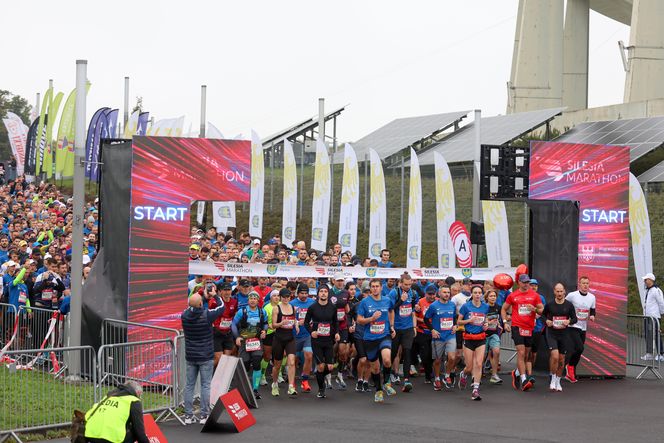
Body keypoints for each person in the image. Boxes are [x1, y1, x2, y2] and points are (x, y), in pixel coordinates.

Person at [181, 292, 225, 424]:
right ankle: (204, 415)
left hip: (191, 355)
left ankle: (188, 416)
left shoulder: (184, 315)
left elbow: (192, 305)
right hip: (205, 355)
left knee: (189, 386)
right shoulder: (207, 315)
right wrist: (214, 295)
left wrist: (202, 296)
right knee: (205, 386)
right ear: (201, 303)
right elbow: (221, 307)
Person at [356, 278, 397, 403]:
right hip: (370, 338)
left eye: (377, 286)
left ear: (381, 288)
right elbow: (359, 320)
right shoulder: (365, 302)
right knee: (375, 368)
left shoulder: (387, 300)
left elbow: (391, 311)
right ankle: (378, 390)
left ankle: (386, 383)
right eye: (372, 286)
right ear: (370, 288)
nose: (374, 288)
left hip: (384, 335)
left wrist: (391, 326)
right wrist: (371, 319)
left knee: (386, 359)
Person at [501, 274, 544, 392]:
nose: (526, 284)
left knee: (526, 355)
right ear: (518, 283)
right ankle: (524, 379)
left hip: (529, 328)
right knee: (521, 352)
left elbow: (542, 309)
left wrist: (534, 309)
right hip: (517, 327)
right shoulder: (513, 295)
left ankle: (515, 373)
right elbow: (504, 309)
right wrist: (505, 322)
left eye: (527, 282)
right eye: (524, 282)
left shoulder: (534, 296)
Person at [83, 380, 149, 443]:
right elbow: (140, 433)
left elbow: (87, 416)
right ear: (137, 392)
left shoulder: (107, 397)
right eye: (140, 395)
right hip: (112, 439)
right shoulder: (133, 400)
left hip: (90, 435)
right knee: (135, 430)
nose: (140, 398)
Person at [304, 286, 340, 398]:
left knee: (330, 367)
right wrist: (311, 332)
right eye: (321, 292)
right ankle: (321, 389)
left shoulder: (333, 307)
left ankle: (319, 375)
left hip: (328, 340)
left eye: (325, 292)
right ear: (318, 294)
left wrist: (337, 333)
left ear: (328, 294)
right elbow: (306, 323)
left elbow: (335, 322)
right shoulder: (312, 307)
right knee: (320, 366)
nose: (323, 294)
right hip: (317, 341)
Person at [232, 291, 268, 399]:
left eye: (255, 298)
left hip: (256, 341)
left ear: (258, 300)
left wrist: (264, 331)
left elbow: (265, 324)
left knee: (257, 362)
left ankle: (255, 389)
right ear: (248, 300)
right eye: (251, 298)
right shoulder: (241, 311)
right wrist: (237, 336)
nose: (252, 300)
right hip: (244, 342)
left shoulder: (262, 312)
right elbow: (233, 324)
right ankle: (243, 388)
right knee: (245, 365)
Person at [543, 283, 577, 392]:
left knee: (562, 360)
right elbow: (542, 316)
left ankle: (558, 380)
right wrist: (547, 321)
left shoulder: (569, 305)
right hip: (552, 333)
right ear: (554, 292)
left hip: (564, 334)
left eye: (561, 291)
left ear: (564, 292)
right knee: (555, 356)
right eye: (557, 291)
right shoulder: (549, 305)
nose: (559, 293)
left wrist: (569, 321)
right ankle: (552, 378)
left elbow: (575, 319)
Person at [458, 285, 490, 401]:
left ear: (482, 294)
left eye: (479, 293)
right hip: (469, 338)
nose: (477, 295)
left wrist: (486, 324)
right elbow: (459, 321)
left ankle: (475, 390)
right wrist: (469, 321)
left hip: (481, 338)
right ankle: (464, 374)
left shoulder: (485, 307)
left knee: (479, 364)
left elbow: (485, 319)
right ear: (472, 294)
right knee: (469, 366)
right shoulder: (466, 306)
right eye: (475, 292)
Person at [388, 273, 418, 392]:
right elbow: (390, 309)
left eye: (410, 284)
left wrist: (414, 326)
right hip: (396, 327)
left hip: (408, 327)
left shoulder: (413, 293)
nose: (408, 287)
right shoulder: (394, 293)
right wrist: (401, 300)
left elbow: (413, 310)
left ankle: (406, 380)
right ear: (400, 283)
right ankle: (389, 374)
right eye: (405, 285)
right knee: (394, 352)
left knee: (407, 351)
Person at [424, 285, 457, 390]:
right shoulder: (434, 306)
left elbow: (454, 317)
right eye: (444, 292)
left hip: (450, 335)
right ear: (439, 293)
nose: (447, 294)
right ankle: (437, 378)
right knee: (437, 360)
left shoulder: (452, 305)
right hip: (438, 337)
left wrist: (455, 325)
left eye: (448, 292)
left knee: (452, 357)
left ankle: (447, 375)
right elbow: (426, 319)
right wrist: (432, 330)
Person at [564, 276, 596, 383]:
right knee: (579, 348)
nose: (585, 285)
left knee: (578, 350)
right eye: (583, 283)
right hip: (573, 326)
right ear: (579, 284)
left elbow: (592, 309)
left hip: (583, 327)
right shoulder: (572, 295)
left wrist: (592, 316)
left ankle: (569, 368)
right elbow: (564, 305)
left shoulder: (592, 297)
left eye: (587, 283)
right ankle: (570, 367)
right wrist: (567, 318)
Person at [271, 288, 299, 396]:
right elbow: (273, 325)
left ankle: (291, 386)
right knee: (277, 365)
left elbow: (294, 319)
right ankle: (274, 384)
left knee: (291, 361)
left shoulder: (293, 307)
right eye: (284, 297)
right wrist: (281, 323)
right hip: (279, 338)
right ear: (280, 297)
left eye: (288, 297)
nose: (286, 299)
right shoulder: (276, 309)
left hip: (289, 338)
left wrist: (296, 325)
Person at [291, 283, 315, 392]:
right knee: (294, 360)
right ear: (297, 293)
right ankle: (292, 382)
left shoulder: (312, 303)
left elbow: (317, 316)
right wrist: (296, 322)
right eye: (302, 293)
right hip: (295, 336)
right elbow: (287, 318)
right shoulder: (292, 304)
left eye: (306, 293)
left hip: (307, 335)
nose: (304, 295)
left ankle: (305, 380)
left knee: (309, 356)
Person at [208, 282, 237, 366]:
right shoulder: (214, 302)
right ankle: (207, 372)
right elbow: (210, 314)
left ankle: (221, 378)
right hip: (216, 333)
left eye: (229, 290)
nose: (227, 292)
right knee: (218, 359)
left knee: (226, 359)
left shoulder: (234, 302)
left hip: (227, 333)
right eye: (225, 290)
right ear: (220, 291)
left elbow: (233, 315)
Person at [413, 285, 436, 384]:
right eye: (429, 294)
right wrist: (423, 320)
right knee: (425, 355)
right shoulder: (420, 302)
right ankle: (428, 375)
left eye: (433, 294)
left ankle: (432, 372)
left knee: (434, 355)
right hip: (422, 331)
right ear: (426, 293)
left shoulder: (439, 301)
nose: (431, 296)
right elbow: (414, 315)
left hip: (435, 332)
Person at [526, 279, 546, 382]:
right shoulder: (524, 296)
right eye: (531, 285)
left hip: (537, 328)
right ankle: (528, 375)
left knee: (534, 353)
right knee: (527, 352)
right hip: (526, 328)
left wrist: (536, 312)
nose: (533, 287)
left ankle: (529, 370)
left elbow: (544, 311)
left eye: (535, 286)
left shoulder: (541, 298)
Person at [641, 273, 664, 361]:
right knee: (648, 335)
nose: (644, 281)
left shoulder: (656, 290)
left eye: (646, 279)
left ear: (650, 280)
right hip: (647, 317)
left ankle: (661, 354)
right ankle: (649, 353)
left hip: (654, 317)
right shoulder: (647, 290)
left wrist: (661, 314)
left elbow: (661, 303)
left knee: (656, 335)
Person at [484, 289, 503, 385]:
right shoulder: (483, 307)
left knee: (496, 352)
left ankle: (494, 375)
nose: (493, 298)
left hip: (494, 333)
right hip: (483, 334)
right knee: (483, 355)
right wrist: (487, 322)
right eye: (491, 296)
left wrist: (500, 324)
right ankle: (479, 372)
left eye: (494, 296)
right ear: (487, 297)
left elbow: (501, 318)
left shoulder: (498, 307)